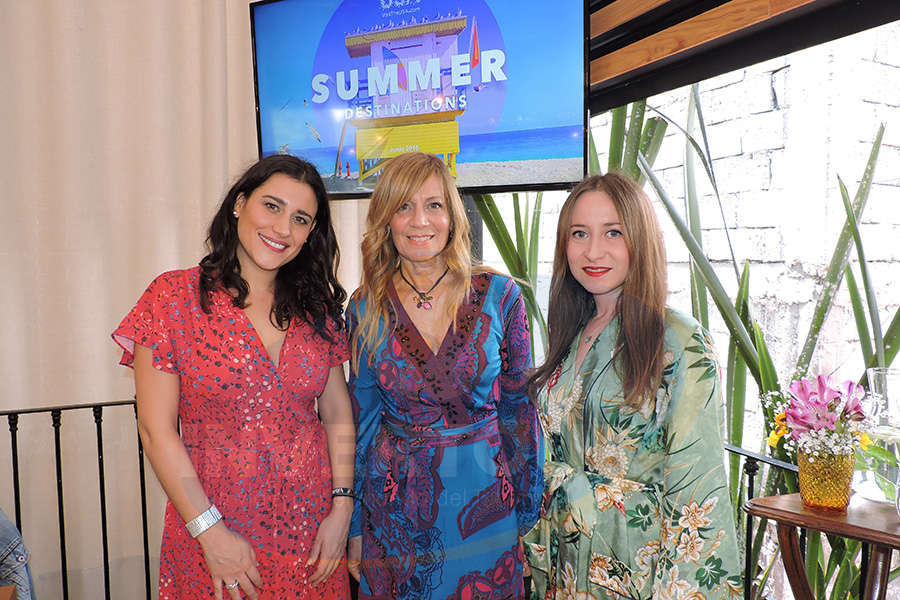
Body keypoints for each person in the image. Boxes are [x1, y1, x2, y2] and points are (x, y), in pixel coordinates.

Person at [112, 155, 354, 599]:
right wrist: (210, 533)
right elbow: (155, 428)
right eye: (272, 207)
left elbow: (337, 410)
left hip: (313, 535)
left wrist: (341, 508)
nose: (283, 229)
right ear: (240, 204)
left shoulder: (316, 309)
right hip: (214, 530)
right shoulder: (172, 298)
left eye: (301, 219)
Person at [524, 173, 742, 599]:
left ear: (639, 240)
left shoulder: (677, 339)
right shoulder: (572, 335)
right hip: (568, 573)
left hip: (642, 577)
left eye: (613, 233)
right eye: (579, 234)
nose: (593, 251)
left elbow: (698, 492)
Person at [346, 152, 544, 599]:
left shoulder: (500, 295)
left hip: (491, 504)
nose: (420, 221)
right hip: (396, 513)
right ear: (385, 219)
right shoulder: (364, 308)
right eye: (404, 206)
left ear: (452, 217)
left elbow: (520, 411)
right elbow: (361, 423)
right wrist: (355, 525)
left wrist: (530, 517)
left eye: (434, 205)